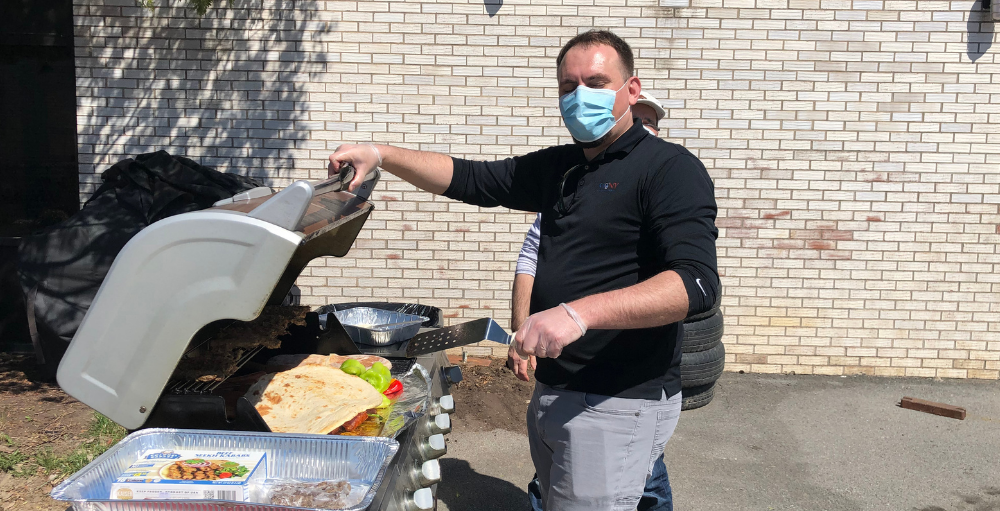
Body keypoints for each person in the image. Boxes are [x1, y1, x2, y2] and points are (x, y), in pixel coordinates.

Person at [328, 30, 720, 510]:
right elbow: (471, 179)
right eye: (569, 86)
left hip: (617, 399)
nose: (580, 96)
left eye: (596, 83)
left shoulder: (669, 168)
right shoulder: (565, 166)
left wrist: (577, 315)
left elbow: (695, 284)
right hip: (556, 387)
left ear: (631, 90)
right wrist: (381, 155)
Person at [512, 92, 675, 511]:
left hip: (624, 385)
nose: (642, 130)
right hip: (561, 377)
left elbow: (690, 283)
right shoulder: (572, 189)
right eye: (635, 120)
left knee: (642, 480)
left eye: (649, 123)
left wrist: (578, 314)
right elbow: (530, 257)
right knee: (558, 479)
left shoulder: (665, 185)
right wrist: (521, 331)